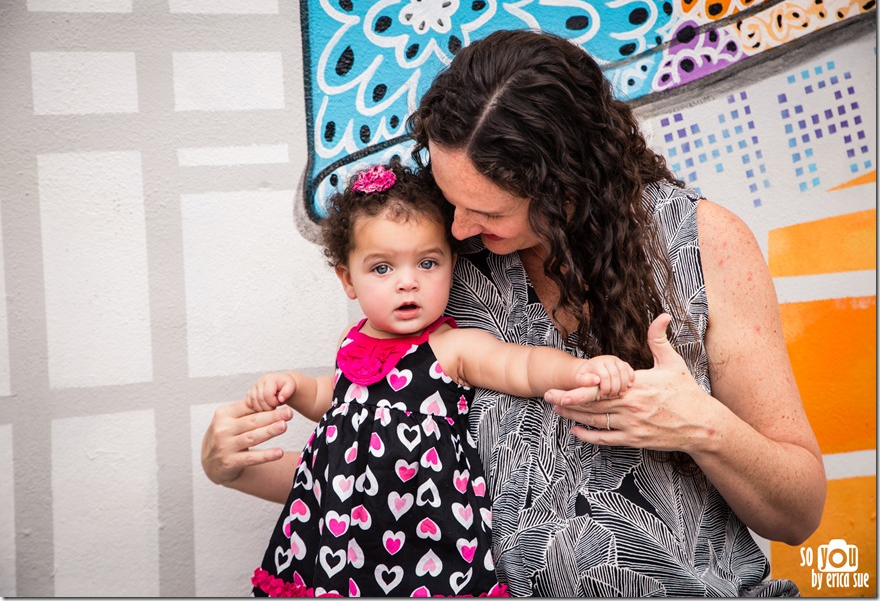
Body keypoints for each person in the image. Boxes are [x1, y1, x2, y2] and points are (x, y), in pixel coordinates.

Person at [202, 29, 826, 596]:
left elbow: (797, 514)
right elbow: (377, 478)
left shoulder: (698, 241)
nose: (458, 226)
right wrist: (234, 466)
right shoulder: (437, 271)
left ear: (569, 184)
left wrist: (699, 425)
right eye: (450, 199)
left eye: (490, 212)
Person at [246, 161, 635, 597]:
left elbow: (520, 365)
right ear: (347, 280)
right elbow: (336, 400)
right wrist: (295, 388)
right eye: (382, 269)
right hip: (340, 525)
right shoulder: (349, 342)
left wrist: (580, 369)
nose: (407, 283)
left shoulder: (450, 347)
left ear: (452, 264)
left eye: (427, 263)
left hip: (423, 528)